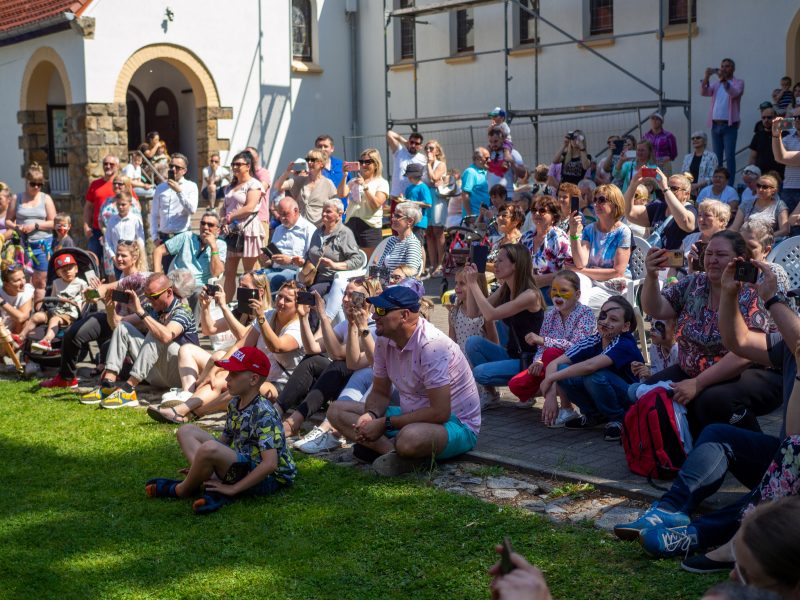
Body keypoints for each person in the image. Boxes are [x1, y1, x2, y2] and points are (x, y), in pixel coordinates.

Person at [327, 286, 481, 476]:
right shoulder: (384, 339)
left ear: (404, 315)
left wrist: (385, 424)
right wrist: (371, 415)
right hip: (412, 415)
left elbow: (440, 412)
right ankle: (393, 453)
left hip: (456, 423)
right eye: (375, 310)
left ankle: (393, 450)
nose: (374, 316)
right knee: (336, 410)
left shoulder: (432, 345)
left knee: (409, 438)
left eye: (381, 311)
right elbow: (380, 392)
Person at [640, 231, 781, 436]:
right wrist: (651, 276)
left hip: (753, 371)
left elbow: (745, 353)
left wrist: (698, 383)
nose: (713, 260)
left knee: (710, 400)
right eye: (709, 254)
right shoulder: (694, 283)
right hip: (694, 368)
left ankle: (756, 448)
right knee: (650, 394)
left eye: (721, 255)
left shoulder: (751, 289)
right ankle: (687, 446)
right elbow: (656, 309)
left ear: (738, 259)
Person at [145, 345, 296, 515]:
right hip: (242, 465)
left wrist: (234, 489)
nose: (227, 379)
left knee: (209, 448)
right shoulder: (234, 403)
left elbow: (270, 464)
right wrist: (200, 465)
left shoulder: (264, 413)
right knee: (185, 431)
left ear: (253, 380)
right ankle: (206, 478)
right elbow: (224, 441)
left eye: (234, 374)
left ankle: (183, 489)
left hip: (269, 479)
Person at [146, 270, 272, 421]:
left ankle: (187, 405)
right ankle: (188, 394)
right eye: (239, 285)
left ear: (259, 291)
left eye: (244, 287)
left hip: (250, 370)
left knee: (218, 357)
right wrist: (205, 307)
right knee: (187, 349)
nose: (240, 289)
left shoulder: (267, 315)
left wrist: (224, 307)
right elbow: (209, 329)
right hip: (235, 362)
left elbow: (244, 338)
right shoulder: (242, 311)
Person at [277, 276, 382, 438]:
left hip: (360, 389)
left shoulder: (373, 329)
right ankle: (278, 411)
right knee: (312, 361)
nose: (345, 299)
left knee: (338, 365)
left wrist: (323, 315)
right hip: (340, 380)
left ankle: (295, 421)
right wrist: (303, 318)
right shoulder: (345, 324)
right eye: (345, 294)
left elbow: (339, 355)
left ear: (366, 300)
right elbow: (312, 348)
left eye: (352, 295)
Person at [81, 272, 198, 409]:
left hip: (182, 376)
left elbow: (166, 336)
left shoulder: (182, 310)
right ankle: (108, 384)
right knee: (124, 327)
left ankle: (128, 389)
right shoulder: (152, 308)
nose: (149, 300)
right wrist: (110, 308)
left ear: (169, 292)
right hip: (157, 374)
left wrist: (141, 312)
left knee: (157, 333)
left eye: (153, 296)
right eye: (147, 296)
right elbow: (117, 325)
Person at [40, 241, 149, 389]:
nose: (119, 258)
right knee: (74, 332)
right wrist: (99, 298)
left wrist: (96, 293)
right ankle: (66, 377)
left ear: (134, 258)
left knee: (107, 340)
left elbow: (121, 319)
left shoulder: (139, 279)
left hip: (136, 328)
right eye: (117, 254)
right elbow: (113, 311)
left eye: (123, 255)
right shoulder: (121, 276)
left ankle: (109, 375)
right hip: (117, 321)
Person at [539, 295, 643, 442]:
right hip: (607, 392)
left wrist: (550, 378)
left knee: (594, 375)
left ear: (625, 326)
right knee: (562, 369)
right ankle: (594, 416)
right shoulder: (594, 340)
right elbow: (554, 364)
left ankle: (619, 419)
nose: (605, 322)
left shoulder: (625, 343)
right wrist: (550, 396)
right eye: (603, 316)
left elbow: (590, 366)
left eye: (613, 319)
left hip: (631, 399)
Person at [508, 271, 596, 422]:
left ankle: (567, 408)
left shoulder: (585, 313)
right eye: (554, 290)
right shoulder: (550, 314)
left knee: (551, 353)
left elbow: (577, 346)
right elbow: (541, 347)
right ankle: (552, 390)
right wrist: (538, 361)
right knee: (516, 385)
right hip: (548, 364)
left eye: (564, 290)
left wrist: (544, 341)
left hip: (576, 364)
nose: (557, 295)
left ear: (577, 294)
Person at [463, 244, 545, 407]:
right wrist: (472, 281)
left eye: (500, 261)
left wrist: (473, 284)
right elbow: (473, 312)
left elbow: (490, 314)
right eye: (495, 260)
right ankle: (491, 395)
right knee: (473, 343)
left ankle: (528, 388)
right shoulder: (505, 289)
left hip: (530, 361)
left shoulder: (530, 295)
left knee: (479, 373)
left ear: (515, 265)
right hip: (513, 354)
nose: (495, 265)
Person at [569, 184, 632, 311]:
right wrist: (574, 233)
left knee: (577, 300)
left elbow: (617, 272)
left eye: (602, 200)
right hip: (591, 279)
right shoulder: (589, 229)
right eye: (595, 200)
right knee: (574, 288)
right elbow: (581, 263)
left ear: (615, 204)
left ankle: (578, 322)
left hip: (612, 285)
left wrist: (580, 270)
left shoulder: (623, 231)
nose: (596, 204)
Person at [5, 163, 56, 303]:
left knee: (40, 282)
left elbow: (54, 222)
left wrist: (35, 225)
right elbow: (8, 220)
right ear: (26, 182)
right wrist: (17, 227)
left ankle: (38, 311)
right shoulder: (17, 198)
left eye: (40, 184)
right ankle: (24, 311)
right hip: (22, 246)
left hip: (42, 245)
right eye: (33, 184)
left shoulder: (46, 198)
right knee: (22, 281)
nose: (36, 187)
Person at [219, 150, 265, 298]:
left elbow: (250, 207)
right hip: (230, 231)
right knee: (229, 273)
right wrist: (223, 220)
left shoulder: (254, 184)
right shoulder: (230, 186)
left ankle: (251, 305)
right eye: (233, 164)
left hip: (248, 230)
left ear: (248, 166)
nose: (235, 167)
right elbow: (224, 207)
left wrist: (229, 217)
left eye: (239, 164)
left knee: (249, 274)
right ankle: (226, 305)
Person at [19, 252, 87, 352]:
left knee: (54, 320)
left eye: (70, 269)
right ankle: (21, 337)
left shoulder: (81, 283)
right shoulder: (56, 282)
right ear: (58, 273)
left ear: (76, 269)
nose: (68, 272)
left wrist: (82, 312)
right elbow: (52, 298)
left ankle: (46, 341)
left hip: (70, 314)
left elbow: (87, 300)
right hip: (56, 310)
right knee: (36, 316)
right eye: (64, 271)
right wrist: (46, 308)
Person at [153, 209, 226, 300]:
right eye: (203, 223)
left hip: (198, 287)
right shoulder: (187, 237)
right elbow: (158, 251)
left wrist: (213, 247)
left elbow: (216, 273)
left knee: (199, 295)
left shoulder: (220, 245)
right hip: (176, 284)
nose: (205, 227)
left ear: (218, 230)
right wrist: (158, 277)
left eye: (210, 225)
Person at [304, 198, 361, 307]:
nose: (324, 214)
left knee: (312, 293)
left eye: (328, 211)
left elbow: (357, 260)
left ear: (339, 215)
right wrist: (301, 262)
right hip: (311, 277)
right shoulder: (318, 232)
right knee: (294, 289)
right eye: (323, 211)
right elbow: (309, 255)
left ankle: (314, 319)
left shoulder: (345, 234)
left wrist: (334, 265)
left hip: (332, 280)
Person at [623, 168, 696, 249]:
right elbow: (629, 213)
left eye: (674, 189)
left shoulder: (691, 209)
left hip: (676, 257)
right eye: (668, 187)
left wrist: (665, 188)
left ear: (686, 194)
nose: (669, 191)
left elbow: (686, 223)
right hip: (652, 256)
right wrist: (633, 185)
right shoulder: (659, 206)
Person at [149, 153, 199, 271]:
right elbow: (154, 215)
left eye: (177, 167)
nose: (173, 169)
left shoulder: (191, 186)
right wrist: (155, 237)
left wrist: (179, 192)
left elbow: (192, 210)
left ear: (184, 171)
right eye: (171, 166)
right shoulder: (160, 188)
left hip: (182, 236)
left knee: (182, 275)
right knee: (167, 273)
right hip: (165, 237)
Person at [340, 148, 389, 259]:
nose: (363, 165)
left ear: (376, 164)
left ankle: (377, 272)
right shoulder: (354, 180)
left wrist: (365, 187)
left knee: (373, 262)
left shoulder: (382, 182)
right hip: (351, 224)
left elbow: (376, 204)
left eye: (368, 162)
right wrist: (344, 175)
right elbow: (341, 194)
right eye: (361, 162)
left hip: (369, 226)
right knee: (352, 260)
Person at [701, 58, 745, 177]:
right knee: (717, 158)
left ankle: (729, 184)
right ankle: (718, 182)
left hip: (729, 125)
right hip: (715, 125)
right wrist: (706, 77)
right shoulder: (716, 84)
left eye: (727, 66)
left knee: (729, 156)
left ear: (733, 69)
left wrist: (724, 80)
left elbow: (734, 93)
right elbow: (704, 92)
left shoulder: (738, 83)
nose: (724, 68)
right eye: (722, 66)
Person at [261, 197, 316, 291]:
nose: (282, 218)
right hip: (275, 269)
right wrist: (267, 260)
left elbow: (313, 260)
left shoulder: (309, 230)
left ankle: (272, 301)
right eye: (280, 214)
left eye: (285, 214)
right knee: (250, 277)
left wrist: (290, 261)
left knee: (271, 279)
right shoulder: (278, 229)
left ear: (296, 211)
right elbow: (272, 259)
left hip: (296, 272)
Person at [274, 149, 337, 227]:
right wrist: (287, 172)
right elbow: (277, 186)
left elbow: (335, 205)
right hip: (300, 227)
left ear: (321, 164)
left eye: (313, 160)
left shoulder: (328, 183)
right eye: (308, 159)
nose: (309, 162)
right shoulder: (300, 180)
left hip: (318, 228)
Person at [527, 195, 572, 301]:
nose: (537, 213)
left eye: (542, 211)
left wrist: (539, 280)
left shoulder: (560, 238)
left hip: (550, 290)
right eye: (534, 210)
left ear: (554, 216)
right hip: (525, 288)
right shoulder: (526, 237)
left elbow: (569, 270)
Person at [447, 267, 498, 353]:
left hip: (480, 359)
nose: (456, 287)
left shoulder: (484, 313)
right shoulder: (454, 312)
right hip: (461, 359)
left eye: (462, 283)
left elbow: (494, 342)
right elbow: (452, 342)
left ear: (476, 286)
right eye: (456, 283)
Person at [102, 191, 145, 280]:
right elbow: (108, 241)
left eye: (123, 204)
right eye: (118, 204)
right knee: (119, 282)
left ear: (130, 204)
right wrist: (113, 257)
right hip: (118, 259)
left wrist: (136, 256)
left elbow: (140, 239)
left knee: (133, 281)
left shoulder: (135, 219)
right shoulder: (112, 220)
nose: (120, 207)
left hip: (131, 260)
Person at [83, 155, 119, 259]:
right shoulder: (95, 184)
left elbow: (135, 204)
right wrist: (86, 226)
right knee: (93, 261)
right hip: (97, 231)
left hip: (116, 231)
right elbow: (88, 207)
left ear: (117, 166)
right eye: (105, 164)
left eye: (111, 164)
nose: (108, 166)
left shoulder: (121, 184)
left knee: (115, 263)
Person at [681, 200, 731, 273]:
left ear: (721, 221)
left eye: (707, 216)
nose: (701, 219)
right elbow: (674, 266)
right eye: (699, 215)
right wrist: (672, 278)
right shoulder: (689, 238)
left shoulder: (729, 243)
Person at [374, 201, 423, 273]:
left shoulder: (413, 243)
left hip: (398, 280)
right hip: (385, 279)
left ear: (410, 221)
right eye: (394, 215)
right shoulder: (392, 240)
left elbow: (410, 273)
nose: (393, 219)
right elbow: (380, 266)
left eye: (398, 216)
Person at [422, 139, 448, 277]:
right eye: (426, 148)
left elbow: (433, 178)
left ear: (437, 151)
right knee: (429, 232)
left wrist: (429, 164)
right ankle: (433, 264)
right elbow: (424, 183)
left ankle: (441, 264)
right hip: (427, 199)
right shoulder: (424, 166)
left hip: (437, 200)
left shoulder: (440, 164)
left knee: (438, 231)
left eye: (431, 148)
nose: (428, 151)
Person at [385, 130, 426, 206]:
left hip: (414, 200)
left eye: (416, 143)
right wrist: (404, 142)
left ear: (421, 146)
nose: (413, 145)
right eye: (411, 142)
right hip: (397, 198)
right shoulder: (399, 152)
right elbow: (389, 134)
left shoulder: (423, 159)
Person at [773, 115, 800, 227]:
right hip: (788, 188)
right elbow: (779, 157)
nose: (797, 119)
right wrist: (776, 135)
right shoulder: (788, 138)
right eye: (795, 117)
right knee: (785, 228)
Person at [748, 103, 785, 181]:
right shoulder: (757, 136)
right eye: (763, 118)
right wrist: (750, 174)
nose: (766, 120)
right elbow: (752, 157)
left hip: (780, 178)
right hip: (761, 178)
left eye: (769, 117)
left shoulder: (784, 134)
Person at [403, 163, 433, 248]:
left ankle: (420, 258)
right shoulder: (409, 188)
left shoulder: (423, 187)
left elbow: (428, 204)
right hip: (409, 221)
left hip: (420, 222)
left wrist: (412, 202)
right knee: (410, 245)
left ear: (411, 176)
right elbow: (407, 201)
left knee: (418, 245)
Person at [681, 131, 719, 198]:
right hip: (689, 191)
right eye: (693, 138)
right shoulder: (687, 157)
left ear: (705, 141)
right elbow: (684, 173)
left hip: (706, 193)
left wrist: (697, 185)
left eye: (698, 138)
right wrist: (690, 186)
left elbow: (713, 176)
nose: (695, 140)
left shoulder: (711, 156)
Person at [486, 204, 523, 272]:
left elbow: (510, 268)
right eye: (498, 216)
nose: (499, 218)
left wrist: (481, 264)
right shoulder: (498, 242)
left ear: (517, 220)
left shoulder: (521, 241)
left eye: (504, 215)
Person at [0, 263, 33, 339]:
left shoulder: (26, 291)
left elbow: (21, 318)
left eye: (23, 278)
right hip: (1, 332)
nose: (23, 282)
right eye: (17, 280)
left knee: (25, 322)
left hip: (15, 332)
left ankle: (16, 344)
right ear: (6, 285)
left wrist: (1, 301)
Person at [461, 148, 491, 218]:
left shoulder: (486, 171)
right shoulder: (470, 172)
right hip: (474, 216)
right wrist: (470, 215)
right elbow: (465, 195)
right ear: (478, 158)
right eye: (487, 158)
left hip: (485, 215)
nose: (489, 160)